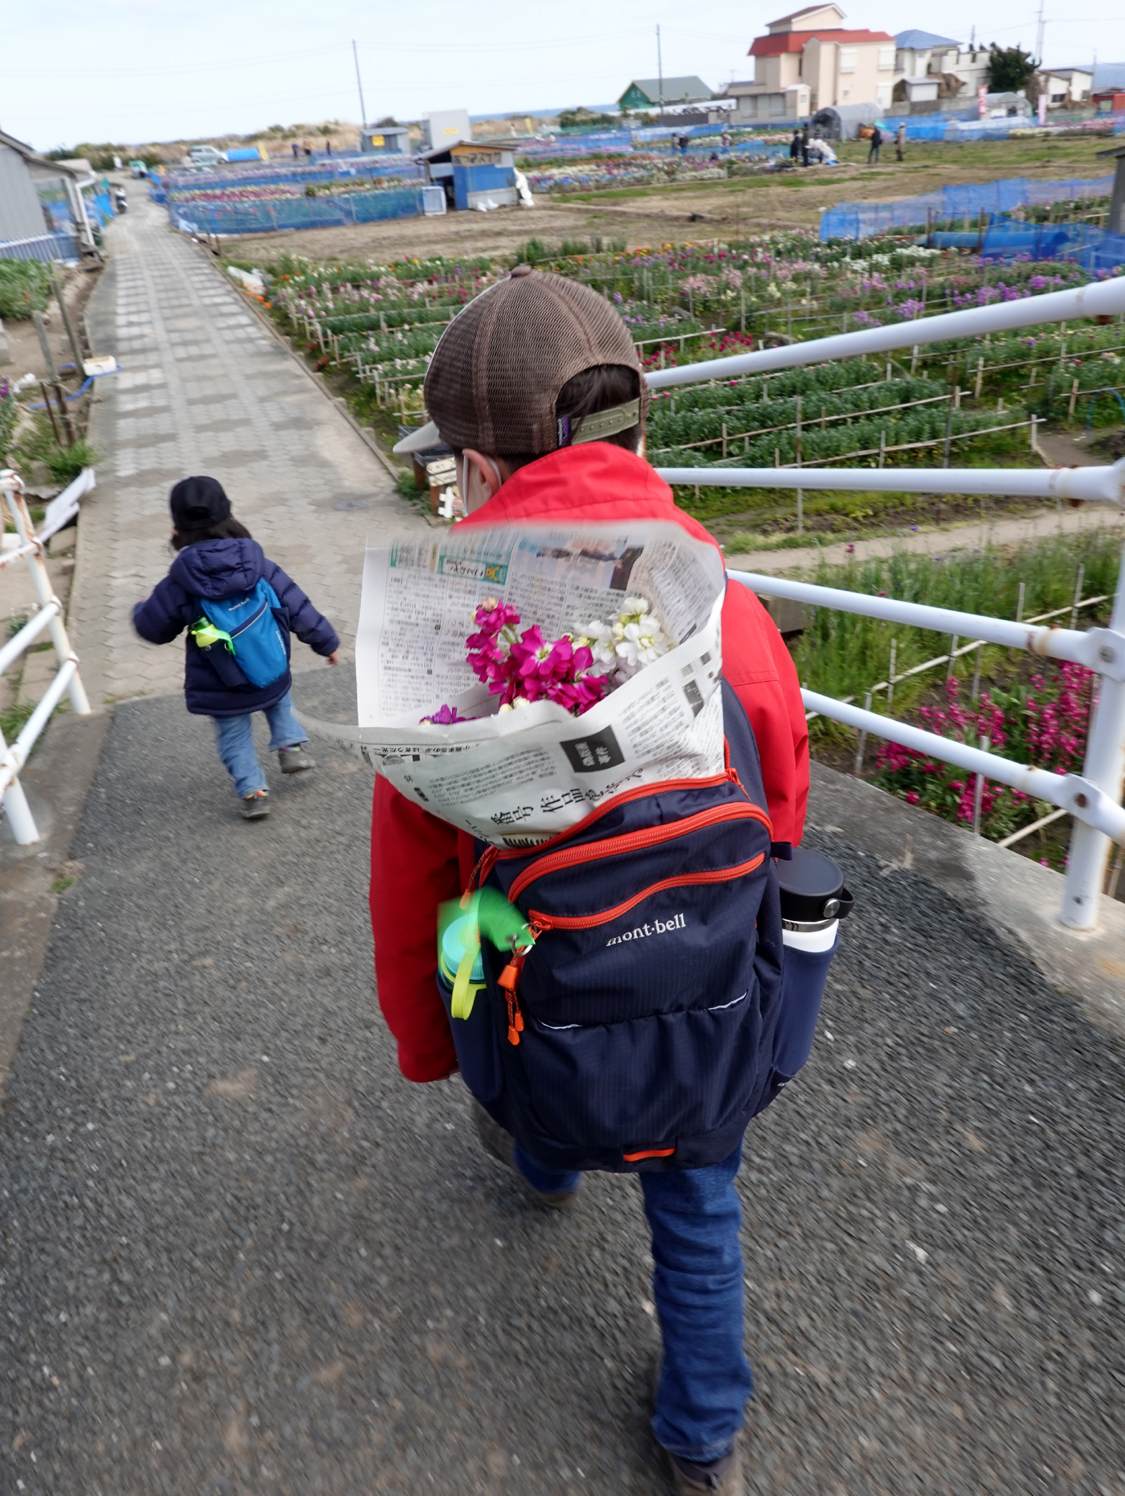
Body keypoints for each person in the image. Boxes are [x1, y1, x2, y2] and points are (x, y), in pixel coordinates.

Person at [373, 268, 809, 1495]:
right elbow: (777, 799)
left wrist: (432, 1040)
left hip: (525, 962)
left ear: (472, 463)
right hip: (701, 977)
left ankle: (544, 1146)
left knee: (513, 1005)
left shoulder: (442, 630)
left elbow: (418, 881)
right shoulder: (720, 598)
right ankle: (702, 1433)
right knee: (699, 1208)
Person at [132, 476, 340, 820]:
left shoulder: (178, 583)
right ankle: (290, 747)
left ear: (176, 531)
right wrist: (327, 643)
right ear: (230, 517)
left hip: (220, 680)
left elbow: (153, 629)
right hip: (269, 665)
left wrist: (141, 607)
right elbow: (298, 606)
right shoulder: (259, 566)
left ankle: (254, 792)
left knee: (234, 735)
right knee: (278, 696)